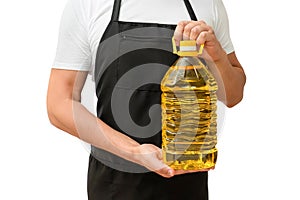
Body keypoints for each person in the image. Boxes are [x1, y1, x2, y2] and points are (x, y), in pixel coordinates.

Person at [47, 0, 246, 199]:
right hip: (113, 187)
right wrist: (134, 151)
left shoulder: (207, 4)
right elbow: (59, 104)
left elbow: (233, 95)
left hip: (188, 186)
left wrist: (217, 56)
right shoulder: (90, 5)